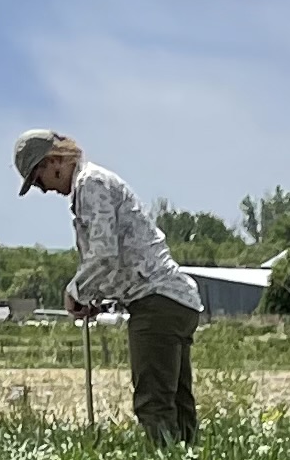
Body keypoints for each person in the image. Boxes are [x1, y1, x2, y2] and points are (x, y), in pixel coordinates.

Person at [13, 128, 204, 441]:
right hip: (175, 300)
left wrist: (76, 291)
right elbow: (119, 259)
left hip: (155, 301)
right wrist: (97, 298)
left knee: (154, 403)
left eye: (37, 179)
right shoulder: (92, 184)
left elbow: (104, 254)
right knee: (178, 404)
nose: (42, 189)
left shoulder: (90, 184)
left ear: (54, 162)